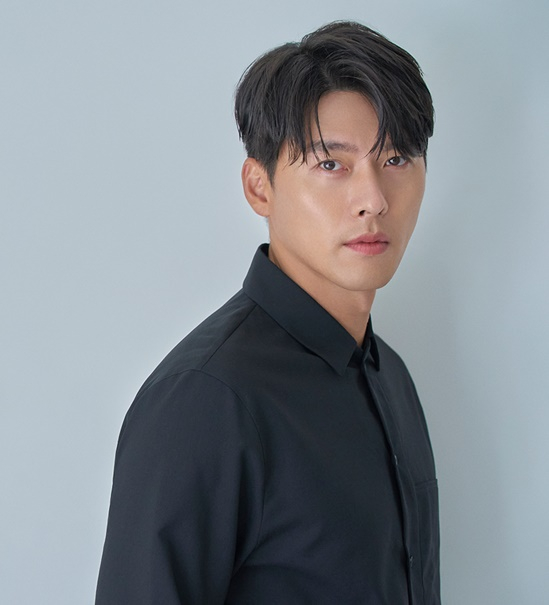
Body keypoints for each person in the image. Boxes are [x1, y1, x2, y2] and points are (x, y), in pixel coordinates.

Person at [96, 20, 440, 605]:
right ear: (260, 188)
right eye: (331, 165)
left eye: (396, 158)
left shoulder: (392, 377)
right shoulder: (205, 399)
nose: (374, 199)